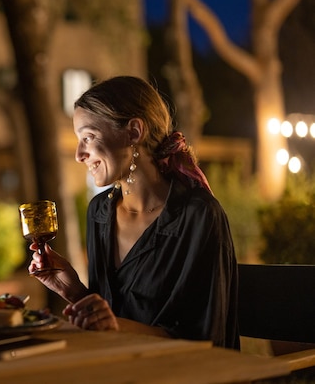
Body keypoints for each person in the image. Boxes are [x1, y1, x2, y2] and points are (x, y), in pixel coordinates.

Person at [29, 75, 239, 349]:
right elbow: (112, 322)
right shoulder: (99, 212)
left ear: (134, 132)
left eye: (88, 137)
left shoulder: (197, 215)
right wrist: (73, 291)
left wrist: (114, 327)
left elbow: (209, 340)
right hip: (115, 367)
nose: (80, 154)